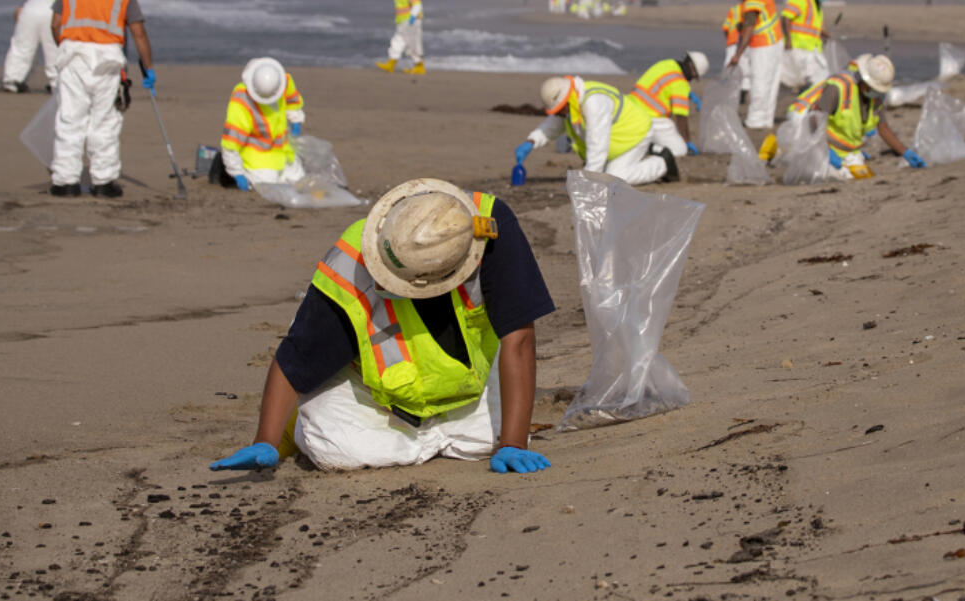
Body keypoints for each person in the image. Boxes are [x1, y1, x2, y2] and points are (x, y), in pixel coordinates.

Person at [210, 178, 554, 474]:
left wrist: (512, 444)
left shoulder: (490, 225)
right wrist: (268, 442)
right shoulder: (350, 263)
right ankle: (297, 426)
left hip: (465, 388)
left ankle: (433, 440)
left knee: (503, 434)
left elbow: (518, 338)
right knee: (335, 451)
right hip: (376, 395)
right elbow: (296, 357)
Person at [48, 0, 153, 199]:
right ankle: (103, 182)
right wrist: (148, 69)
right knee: (104, 121)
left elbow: (55, 25)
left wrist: (66, 45)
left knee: (70, 119)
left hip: (73, 57)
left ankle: (65, 182)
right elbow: (139, 34)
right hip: (108, 60)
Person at [513, 75, 677, 185]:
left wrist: (587, 182)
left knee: (614, 177)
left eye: (558, 110)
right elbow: (553, 125)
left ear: (566, 101)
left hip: (636, 134)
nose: (557, 115)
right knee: (603, 173)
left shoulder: (594, 103)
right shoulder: (572, 104)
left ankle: (663, 163)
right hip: (617, 141)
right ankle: (649, 154)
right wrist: (532, 141)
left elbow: (597, 147)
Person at [788, 53, 926, 180]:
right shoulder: (839, 87)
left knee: (861, 175)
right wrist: (824, 150)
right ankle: (781, 150)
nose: (876, 93)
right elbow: (814, 120)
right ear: (864, 81)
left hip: (846, 150)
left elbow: (883, 127)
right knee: (831, 176)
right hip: (820, 142)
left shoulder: (876, 97)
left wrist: (906, 153)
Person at [218, 57, 306, 190]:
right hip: (257, 156)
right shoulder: (241, 102)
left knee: (300, 181)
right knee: (269, 186)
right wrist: (235, 172)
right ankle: (229, 170)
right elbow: (231, 142)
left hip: (283, 150)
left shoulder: (281, 80)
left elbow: (291, 97)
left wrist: (295, 118)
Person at [724, 0, 784, 160]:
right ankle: (766, 119)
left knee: (760, 82)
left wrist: (737, 55)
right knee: (771, 83)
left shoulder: (750, 5)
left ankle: (756, 120)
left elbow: (748, 31)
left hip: (763, 46)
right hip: (776, 42)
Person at [630, 50, 710, 157]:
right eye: (694, 77)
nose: (691, 80)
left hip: (631, 109)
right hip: (652, 118)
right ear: (691, 68)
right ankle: (650, 147)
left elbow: (664, 83)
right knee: (679, 149)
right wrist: (687, 142)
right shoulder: (680, 83)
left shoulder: (668, 64)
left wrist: (688, 93)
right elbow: (681, 118)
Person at [780, 0, 835, 91]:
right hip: (798, 49)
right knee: (799, 81)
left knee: (819, 80)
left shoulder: (817, 6)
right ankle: (803, 104)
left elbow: (814, 27)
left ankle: (806, 104)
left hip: (813, 50)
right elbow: (786, 18)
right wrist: (788, 40)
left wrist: (823, 34)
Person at [0, 0, 60, 93]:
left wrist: (20, 30)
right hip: (53, 10)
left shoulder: (30, 2)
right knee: (54, 49)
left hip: (30, 9)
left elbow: (19, 12)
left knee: (21, 48)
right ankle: (56, 83)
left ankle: (11, 81)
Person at [376, 0, 425, 75]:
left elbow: (417, 5)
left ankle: (419, 66)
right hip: (402, 22)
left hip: (412, 21)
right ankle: (391, 64)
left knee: (413, 44)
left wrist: (412, 18)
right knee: (397, 41)